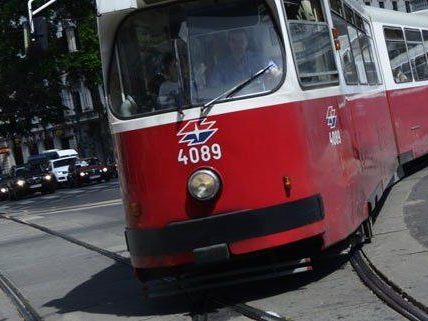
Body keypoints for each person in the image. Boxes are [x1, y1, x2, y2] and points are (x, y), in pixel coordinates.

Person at [208, 29, 281, 91]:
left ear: (247, 42)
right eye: (234, 41)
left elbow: (275, 71)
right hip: (233, 102)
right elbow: (213, 88)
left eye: (241, 41)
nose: (238, 45)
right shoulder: (221, 66)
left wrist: (273, 73)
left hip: (259, 98)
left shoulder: (259, 58)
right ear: (229, 43)